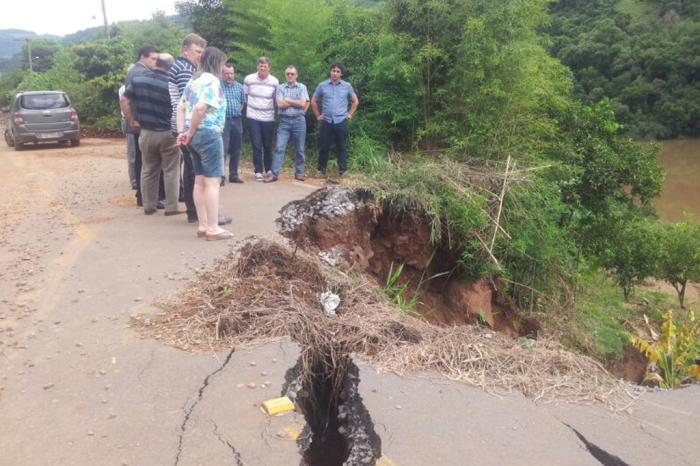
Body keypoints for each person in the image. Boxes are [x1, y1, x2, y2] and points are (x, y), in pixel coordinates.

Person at [176, 47, 233, 241]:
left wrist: (183, 132)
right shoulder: (213, 81)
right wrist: (190, 131)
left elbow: (180, 107)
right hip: (209, 133)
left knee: (199, 181)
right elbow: (201, 108)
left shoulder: (193, 81)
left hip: (193, 137)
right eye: (223, 63)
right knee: (212, 182)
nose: (224, 68)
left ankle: (202, 225)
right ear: (216, 62)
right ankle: (213, 228)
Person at [123, 53, 183, 216]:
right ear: (170, 67)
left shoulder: (139, 80)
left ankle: (149, 206)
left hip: (146, 132)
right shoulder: (171, 84)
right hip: (167, 133)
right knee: (171, 170)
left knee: (148, 169)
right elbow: (179, 107)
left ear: (156, 62)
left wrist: (132, 120)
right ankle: (171, 207)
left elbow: (124, 100)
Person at [119, 44, 159, 207]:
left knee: (141, 161)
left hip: (136, 123)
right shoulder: (141, 72)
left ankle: (142, 196)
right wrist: (133, 120)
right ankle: (145, 196)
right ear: (142, 57)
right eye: (153, 58)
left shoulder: (132, 71)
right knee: (146, 162)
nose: (155, 62)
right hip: (142, 124)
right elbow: (127, 100)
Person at [311, 63, 359, 176]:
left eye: (338, 71)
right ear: (330, 72)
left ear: (341, 73)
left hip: (341, 120)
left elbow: (355, 101)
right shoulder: (322, 85)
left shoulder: (347, 86)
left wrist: (350, 114)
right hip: (326, 121)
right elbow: (313, 101)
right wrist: (318, 115)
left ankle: (343, 171)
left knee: (341, 146)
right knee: (324, 147)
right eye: (333, 70)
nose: (335, 73)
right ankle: (320, 171)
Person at [265, 65, 309, 183]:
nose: (290, 76)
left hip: (299, 121)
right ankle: (274, 174)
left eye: (292, 74)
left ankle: (299, 173)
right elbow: (279, 104)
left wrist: (288, 100)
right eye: (288, 74)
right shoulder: (280, 87)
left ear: (296, 75)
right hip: (284, 121)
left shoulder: (302, 87)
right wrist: (295, 102)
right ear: (285, 75)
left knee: (300, 149)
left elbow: (303, 104)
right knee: (279, 148)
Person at [243, 57, 279, 181]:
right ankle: (258, 171)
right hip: (253, 117)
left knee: (268, 145)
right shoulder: (249, 79)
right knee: (256, 145)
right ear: (257, 66)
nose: (263, 68)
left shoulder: (274, 81)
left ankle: (268, 169)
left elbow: (275, 100)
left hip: (268, 117)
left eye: (265, 66)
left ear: (269, 67)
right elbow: (245, 97)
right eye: (260, 66)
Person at [220, 63, 246, 184]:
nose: (229, 76)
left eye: (231, 73)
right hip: (223, 120)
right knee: (223, 148)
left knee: (236, 147)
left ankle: (234, 175)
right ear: (222, 74)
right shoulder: (218, 86)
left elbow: (242, 103)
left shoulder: (240, 87)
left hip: (236, 120)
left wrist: (235, 111)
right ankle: (220, 176)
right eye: (227, 73)